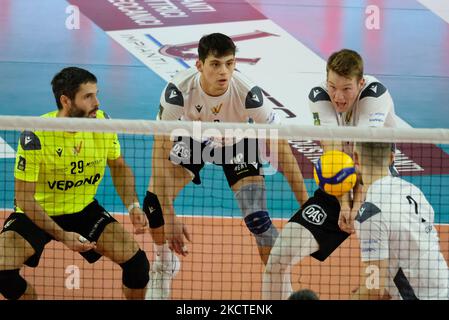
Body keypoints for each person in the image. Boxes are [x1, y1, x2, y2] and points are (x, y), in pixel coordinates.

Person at [144, 33, 309, 299]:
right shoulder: (177, 93)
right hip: (193, 141)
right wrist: (170, 215)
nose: (224, 71)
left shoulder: (249, 95)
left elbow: (280, 147)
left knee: (259, 219)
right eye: (216, 64)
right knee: (154, 205)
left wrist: (305, 203)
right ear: (199, 65)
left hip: (237, 143)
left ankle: (281, 287)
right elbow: (159, 152)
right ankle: (164, 265)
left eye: (230, 63)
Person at [0, 67, 150, 300]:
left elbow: (118, 166)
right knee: (2, 273)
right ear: (66, 100)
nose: (97, 102)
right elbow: (24, 199)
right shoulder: (36, 136)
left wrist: (133, 205)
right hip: (37, 213)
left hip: (82, 210)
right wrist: (63, 235)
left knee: (138, 265)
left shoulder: (102, 124)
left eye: (96, 94)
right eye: (88, 96)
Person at [308, 48, 398, 234]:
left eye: (346, 89)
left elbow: (364, 159)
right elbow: (333, 156)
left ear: (361, 83)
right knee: (289, 245)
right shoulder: (319, 96)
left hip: (376, 177)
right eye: (332, 87)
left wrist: (356, 206)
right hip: (339, 175)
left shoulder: (375, 95)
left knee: (383, 247)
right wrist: (344, 205)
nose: (338, 97)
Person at [351, 142, 449, 300]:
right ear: (392, 158)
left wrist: (369, 289)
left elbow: (374, 290)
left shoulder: (370, 213)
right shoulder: (413, 190)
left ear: (355, 157)